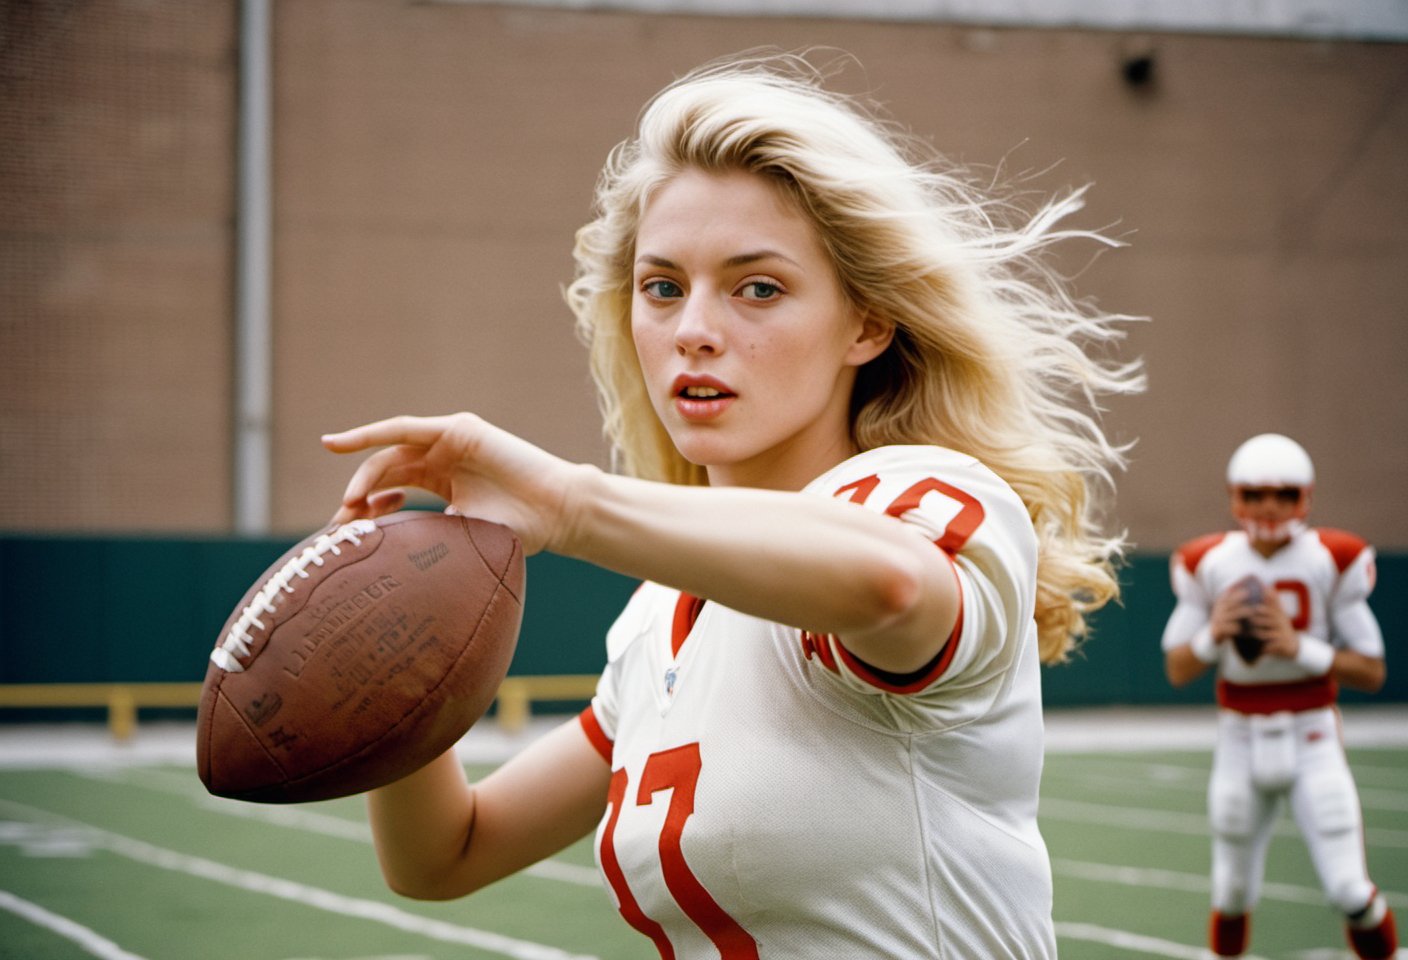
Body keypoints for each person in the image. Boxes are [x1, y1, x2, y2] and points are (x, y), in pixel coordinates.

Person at [322, 52, 1141, 958]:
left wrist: (569, 503)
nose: (694, 331)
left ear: (866, 322)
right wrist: (394, 659)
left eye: (759, 287)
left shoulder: (932, 498)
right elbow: (446, 856)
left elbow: (892, 587)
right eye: (662, 287)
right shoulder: (655, 622)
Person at [1162, 432, 1397, 959]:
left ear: (1306, 498)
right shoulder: (1209, 562)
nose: (1269, 507)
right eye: (1256, 494)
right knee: (1231, 891)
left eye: (1284, 495)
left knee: (1350, 890)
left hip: (1312, 732)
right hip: (1239, 737)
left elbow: (1373, 670)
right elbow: (1178, 667)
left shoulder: (1333, 559)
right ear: (1234, 497)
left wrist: (1299, 648)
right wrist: (1211, 635)